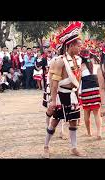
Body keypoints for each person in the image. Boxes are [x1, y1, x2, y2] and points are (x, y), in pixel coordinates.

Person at [43, 22, 84, 158]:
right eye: (78, 45)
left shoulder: (78, 60)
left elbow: (77, 81)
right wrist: (53, 101)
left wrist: (78, 98)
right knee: (54, 122)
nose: (80, 48)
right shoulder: (59, 61)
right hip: (61, 95)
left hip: (73, 96)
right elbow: (54, 84)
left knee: (73, 122)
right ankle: (46, 147)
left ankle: (74, 148)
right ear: (70, 45)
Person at [79, 49, 102, 140]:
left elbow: (78, 81)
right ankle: (99, 132)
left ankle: (89, 132)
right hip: (96, 90)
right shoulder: (96, 66)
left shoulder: (80, 67)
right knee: (97, 113)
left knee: (86, 112)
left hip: (86, 91)